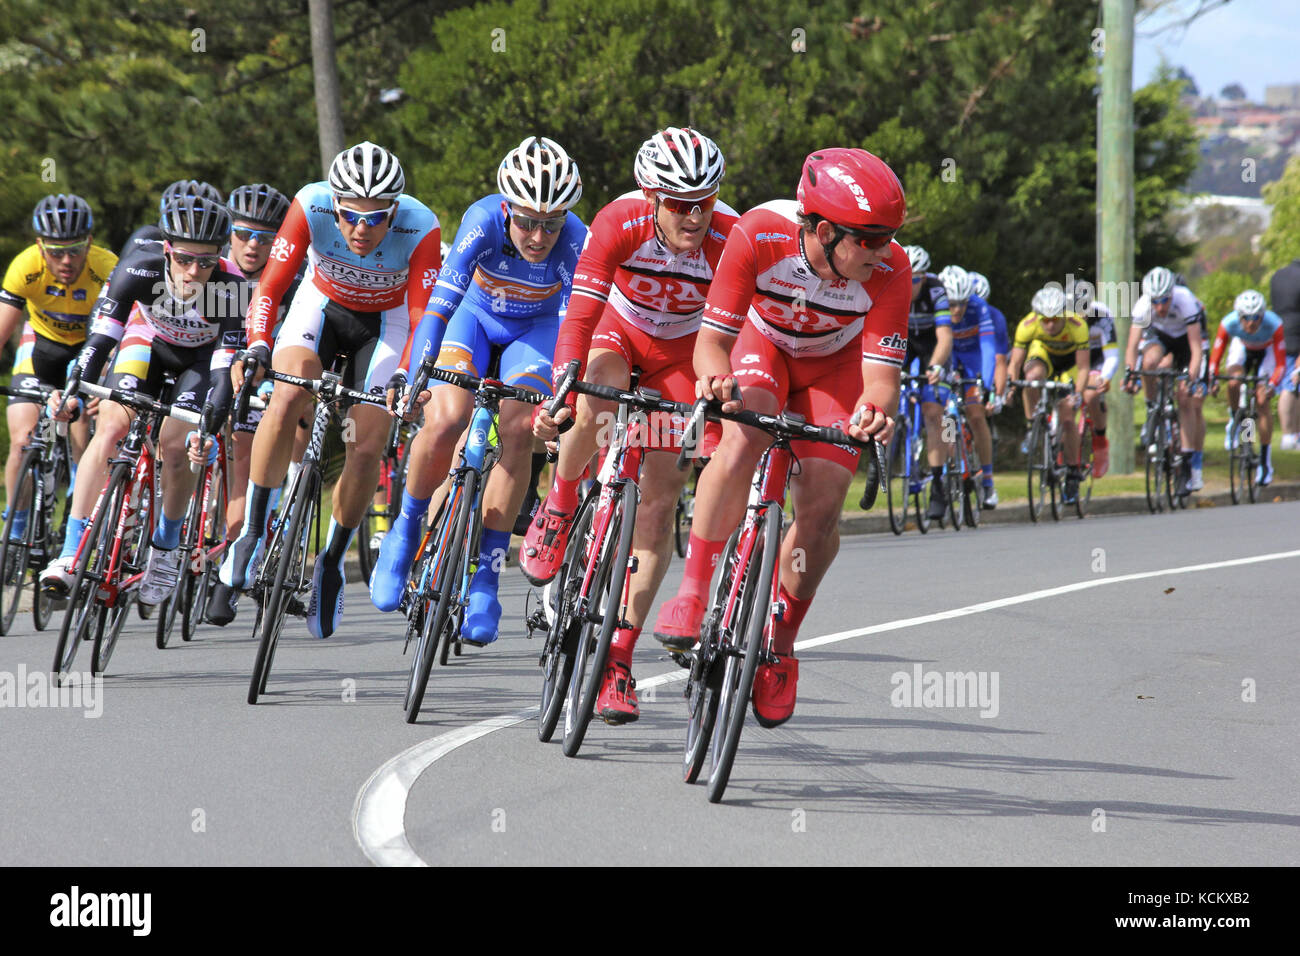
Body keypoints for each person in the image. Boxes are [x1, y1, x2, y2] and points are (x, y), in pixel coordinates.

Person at [652, 147, 907, 728]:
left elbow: (880, 380)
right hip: (761, 348)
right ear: (823, 230)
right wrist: (715, 379)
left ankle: (781, 644)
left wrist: (873, 411)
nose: (882, 251)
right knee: (743, 435)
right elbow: (711, 342)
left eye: (889, 237)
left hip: (833, 369)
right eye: (869, 239)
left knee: (821, 506)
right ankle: (692, 591)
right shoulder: (759, 233)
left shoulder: (891, 269)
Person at [521, 127, 738, 724]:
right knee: (597, 398)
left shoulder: (728, 238)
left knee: (660, 499)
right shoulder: (618, 222)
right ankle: (560, 506)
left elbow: (735, 338)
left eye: (705, 201)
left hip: (682, 354)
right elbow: (582, 313)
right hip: (620, 333)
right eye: (679, 204)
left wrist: (718, 415)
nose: (695, 217)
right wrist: (564, 382)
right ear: (652, 197)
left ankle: (618, 657)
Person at [369, 136, 587, 647]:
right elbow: (439, 308)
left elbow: (573, 325)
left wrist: (562, 397)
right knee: (445, 418)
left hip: (533, 333)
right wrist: (416, 372)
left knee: (516, 431)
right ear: (508, 208)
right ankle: (405, 531)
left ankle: (487, 578)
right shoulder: (483, 220)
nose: (539, 235)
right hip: (474, 318)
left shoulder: (576, 239)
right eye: (528, 221)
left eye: (551, 223)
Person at [221, 142, 441, 640]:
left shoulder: (420, 224)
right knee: (286, 394)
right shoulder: (311, 202)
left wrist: (406, 374)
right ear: (334, 205)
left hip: (385, 327)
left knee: (367, 445)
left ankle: (333, 561)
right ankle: (253, 533)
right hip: (320, 308)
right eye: (350, 217)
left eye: (376, 218)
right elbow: (271, 288)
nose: (361, 230)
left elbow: (424, 313)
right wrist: (257, 345)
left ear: (395, 211)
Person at [41, 196, 248, 605]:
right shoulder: (140, 265)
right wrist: (73, 393)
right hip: (147, 343)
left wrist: (207, 429)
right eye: (185, 259)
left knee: (176, 446)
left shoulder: (229, 287)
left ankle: (166, 549)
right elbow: (100, 340)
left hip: (200, 361)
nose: (193, 272)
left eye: (206, 262)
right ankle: (70, 552)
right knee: (112, 428)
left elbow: (224, 372)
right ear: (167, 249)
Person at [205, 182, 296, 626]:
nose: (253, 245)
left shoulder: (294, 278)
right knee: (238, 452)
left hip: (279, 374)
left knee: (292, 437)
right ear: (229, 233)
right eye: (243, 233)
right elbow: (215, 345)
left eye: (266, 238)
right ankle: (228, 559)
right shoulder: (218, 274)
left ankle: (285, 523)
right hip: (230, 369)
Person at [1, 195, 116, 542]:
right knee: (22, 440)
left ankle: (76, 506)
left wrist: (108, 382)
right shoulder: (25, 266)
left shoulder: (107, 266)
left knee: (79, 416)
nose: (66, 261)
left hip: (90, 351)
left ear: (90, 244)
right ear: (40, 246)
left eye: (75, 250)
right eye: (55, 252)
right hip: (41, 347)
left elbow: (125, 333)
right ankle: (15, 527)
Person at [1121, 266, 1205, 492]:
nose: (1160, 307)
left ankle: (1187, 463)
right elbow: (1131, 348)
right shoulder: (1142, 306)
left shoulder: (1185, 300)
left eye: (1165, 300)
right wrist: (1130, 372)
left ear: (1172, 294)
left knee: (1185, 398)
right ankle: (1152, 409)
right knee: (1148, 364)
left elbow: (1196, 350)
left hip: (1186, 341)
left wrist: (1191, 376)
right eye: (1155, 301)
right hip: (1161, 338)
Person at [1007, 286, 1091, 503]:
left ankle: (1073, 473)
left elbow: (1083, 368)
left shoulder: (1077, 326)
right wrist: (1010, 387)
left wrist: (1078, 395)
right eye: (1045, 320)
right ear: (1038, 317)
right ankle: (1032, 424)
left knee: (1067, 416)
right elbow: (1015, 362)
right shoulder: (1027, 325)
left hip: (1070, 365)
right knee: (1031, 378)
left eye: (1055, 319)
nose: (1050, 324)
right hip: (1043, 357)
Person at [1209, 289, 1285, 485]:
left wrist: (1271, 385)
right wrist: (1213, 378)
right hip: (1241, 348)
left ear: (1262, 315)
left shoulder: (1274, 324)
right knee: (1234, 381)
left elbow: (1280, 364)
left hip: (1266, 352)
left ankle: (1265, 461)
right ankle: (1235, 420)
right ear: (1238, 316)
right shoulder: (1229, 323)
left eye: (1256, 317)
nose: (1251, 322)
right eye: (1246, 318)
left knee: (1261, 400)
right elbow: (1215, 360)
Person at [937, 265, 998, 507]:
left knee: (975, 413)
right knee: (945, 419)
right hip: (949, 357)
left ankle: (988, 478)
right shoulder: (936, 304)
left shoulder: (978, 306)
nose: (957, 309)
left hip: (972, 359)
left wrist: (987, 382)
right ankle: (952, 466)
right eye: (952, 304)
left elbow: (988, 347)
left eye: (962, 303)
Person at [900, 245, 953, 520]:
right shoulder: (894, 284)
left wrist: (935, 366)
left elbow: (945, 336)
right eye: (907, 278)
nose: (911, 285)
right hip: (906, 344)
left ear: (924, 277)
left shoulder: (936, 290)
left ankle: (938, 485)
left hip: (934, 347)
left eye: (916, 279)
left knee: (934, 413)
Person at [1072, 283, 1118, 477]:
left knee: (1090, 395)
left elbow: (1112, 356)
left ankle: (1100, 440)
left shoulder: (1102, 317)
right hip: (1072, 360)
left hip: (1097, 360)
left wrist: (1104, 377)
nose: (1081, 316)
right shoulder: (1061, 317)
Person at [1270, 257, 1300, 448]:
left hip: (1280, 335)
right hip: (1296, 336)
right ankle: (1289, 435)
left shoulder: (1277, 276)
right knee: (1291, 386)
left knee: (1291, 385)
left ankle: (1293, 434)